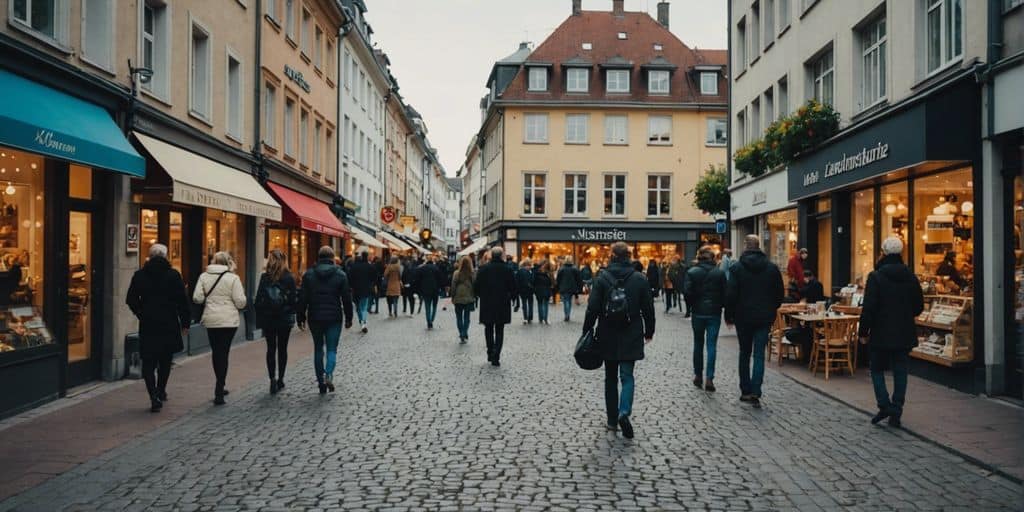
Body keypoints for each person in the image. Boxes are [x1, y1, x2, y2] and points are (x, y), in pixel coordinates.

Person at [583, 241, 655, 439]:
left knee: (610, 377)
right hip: (631, 331)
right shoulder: (640, 278)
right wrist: (650, 331)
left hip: (607, 331)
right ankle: (625, 412)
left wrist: (587, 331)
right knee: (627, 376)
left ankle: (612, 421)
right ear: (629, 256)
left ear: (612, 256)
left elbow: (593, 308)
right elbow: (648, 308)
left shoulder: (602, 278)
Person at [858, 237, 924, 428]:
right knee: (900, 370)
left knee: (877, 369)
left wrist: (864, 331)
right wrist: (905, 316)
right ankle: (896, 409)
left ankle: (884, 405)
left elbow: (869, 307)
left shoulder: (876, 277)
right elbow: (918, 305)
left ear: (884, 253)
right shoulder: (910, 276)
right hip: (904, 332)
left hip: (881, 333)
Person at [126, 244, 191, 413]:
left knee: (148, 361)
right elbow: (182, 301)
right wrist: (185, 323)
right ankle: (161, 390)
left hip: (149, 324)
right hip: (168, 322)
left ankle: (153, 396)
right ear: (165, 256)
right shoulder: (173, 275)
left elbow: (130, 299)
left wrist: (141, 312)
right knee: (165, 360)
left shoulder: (140, 275)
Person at [725, 235, 784, 409]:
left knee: (744, 353)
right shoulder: (772, 268)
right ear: (759, 246)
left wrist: (729, 315)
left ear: (745, 246)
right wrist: (771, 308)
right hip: (764, 317)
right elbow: (779, 294)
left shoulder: (737, 269)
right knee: (759, 354)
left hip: (743, 317)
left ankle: (745, 390)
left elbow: (730, 294)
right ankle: (756, 390)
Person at [297, 246, 354, 394]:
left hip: (315, 316)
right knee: (331, 348)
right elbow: (347, 299)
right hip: (334, 316)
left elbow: (303, 298)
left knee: (318, 348)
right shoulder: (341, 275)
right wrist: (349, 318)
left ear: (319, 257)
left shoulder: (309, 275)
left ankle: (320, 381)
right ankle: (328, 373)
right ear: (332, 258)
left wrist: (300, 316)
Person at [192, 251, 248, 405]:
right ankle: (219, 387)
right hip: (229, 321)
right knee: (224, 352)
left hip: (211, 319)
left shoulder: (204, 276)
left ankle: (219, 385)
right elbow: (241, 302)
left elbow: (197, 298)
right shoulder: (233, 278)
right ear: (228, 262)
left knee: (217, 352)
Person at [683, 246, 727, 392]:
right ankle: (710, 377)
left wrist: (693, 305)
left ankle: (698, 375)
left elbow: (687, 293)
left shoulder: (692, 272)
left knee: (698, 344)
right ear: (713, 258)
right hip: (714, 312)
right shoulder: (719, 273)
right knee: (711, 345)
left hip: (698, 312)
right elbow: (725, 293)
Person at [254, 249, 298, 395]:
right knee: (283, 349)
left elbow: (258, 299)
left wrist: (260, 316)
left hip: (269, 319)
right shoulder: (289, 277)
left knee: (271, 349)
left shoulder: (265, 277)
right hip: (284, 319)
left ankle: (272, 378)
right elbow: (293, 301)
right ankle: (281, 379)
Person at [473, 247, 515, 366]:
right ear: (502, 255)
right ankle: (496, 355)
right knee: (500, 330)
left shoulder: (484, 269)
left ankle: (490, 352)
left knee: (488, 328)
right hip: (502, 303)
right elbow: (513, 287)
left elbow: (476, 286)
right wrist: (511, 297)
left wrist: (481, 296)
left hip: (487, 303)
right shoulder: (507, 269)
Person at [348, 251, 376, 334]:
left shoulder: (354, 267)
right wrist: (371, 284)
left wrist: (351, 286)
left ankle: (361, 321)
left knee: (358, 308)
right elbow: (374, 277)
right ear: (366, 256)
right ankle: (363, 322)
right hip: (366, 290)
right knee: (364, 307)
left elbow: (349, 278)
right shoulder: (369, 266)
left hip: (356, 290)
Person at [451, 256, 476, 343]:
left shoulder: (456, 273)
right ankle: (464, 332)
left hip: (458, 297)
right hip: (469, 297)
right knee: (467, 317)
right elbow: (475, 285)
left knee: (459, 317)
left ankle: (461, 333)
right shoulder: (472, 273)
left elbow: (453, 286)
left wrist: (452, 296)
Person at [415, 256, 445, 329]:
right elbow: (441, 280)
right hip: (435, 290)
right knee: (434, 306)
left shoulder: (422, 269)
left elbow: (418, 280)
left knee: (427, 306)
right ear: (432, 262)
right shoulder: (436, 268)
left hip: (425, 290)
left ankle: (429, 322)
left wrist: (419, 290)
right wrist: (441, 289)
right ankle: (432, 319)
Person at [556, 256, 583, 322]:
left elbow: (558, 279)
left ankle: (566, 315)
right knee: (569, 301)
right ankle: (568, 314)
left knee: (565, 301)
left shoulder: (562, 269)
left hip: (563, 288)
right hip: (572, 288)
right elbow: (579, 279)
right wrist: (579, 289)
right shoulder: (575, 269)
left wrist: (558, 287)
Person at [515, 258, 535, 324]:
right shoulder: (531, 271)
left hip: (522, 290)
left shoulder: (519, 271)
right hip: (530, 289)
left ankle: (525, 318)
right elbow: (533, 280)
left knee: (524, 304)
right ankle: (530, 317)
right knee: (530, 303)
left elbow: (517, 281)